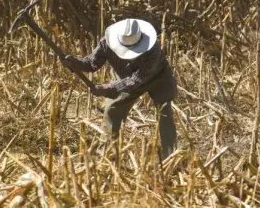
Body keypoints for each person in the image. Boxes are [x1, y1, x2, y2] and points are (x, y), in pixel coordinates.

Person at [62, 18, 178, 160]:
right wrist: (74, 63)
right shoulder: (106, 43)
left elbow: (137, 80)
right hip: (126, 78)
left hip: (158, 78)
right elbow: (92, 63)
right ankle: (107, 155)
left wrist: (108, 88)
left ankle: (171, 156)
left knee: (164, 113)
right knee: (112, 111)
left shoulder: (153, 48)